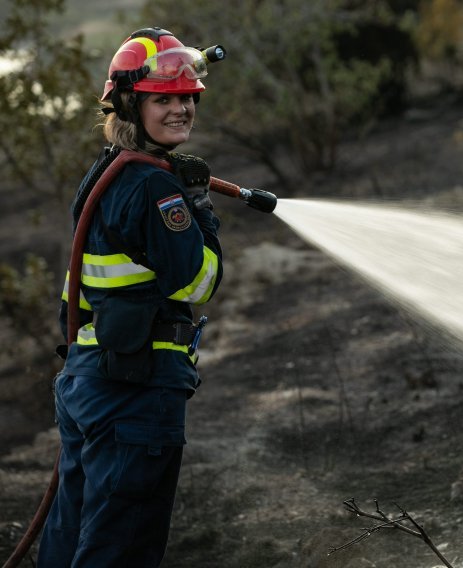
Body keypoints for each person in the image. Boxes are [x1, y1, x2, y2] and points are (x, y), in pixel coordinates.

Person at [38, 27, 224, 567]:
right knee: (120, 547)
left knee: (70, 536)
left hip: (87, 381)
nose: (181, 109)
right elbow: (199, 284)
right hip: (133, 392)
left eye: (187, 97)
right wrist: (200, 210)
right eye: (163, 99)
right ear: (129, 103)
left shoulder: (105, 171)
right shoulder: (154, 187)